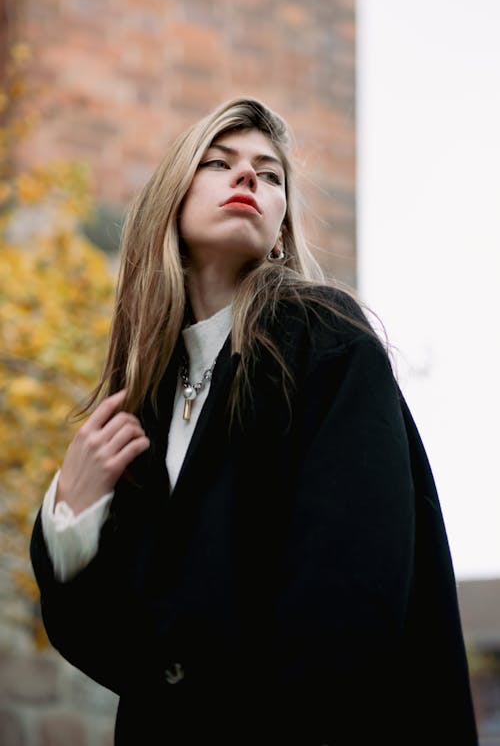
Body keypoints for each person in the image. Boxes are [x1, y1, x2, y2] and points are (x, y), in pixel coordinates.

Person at [30, 96, 478, 745]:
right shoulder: (143, 408)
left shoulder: (324, 342)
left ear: (281, 219)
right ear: (171, 199)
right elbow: (116, 646)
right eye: (220, 163)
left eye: (270, 175)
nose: (249, 179)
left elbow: (350, 604)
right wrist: (70, 515)